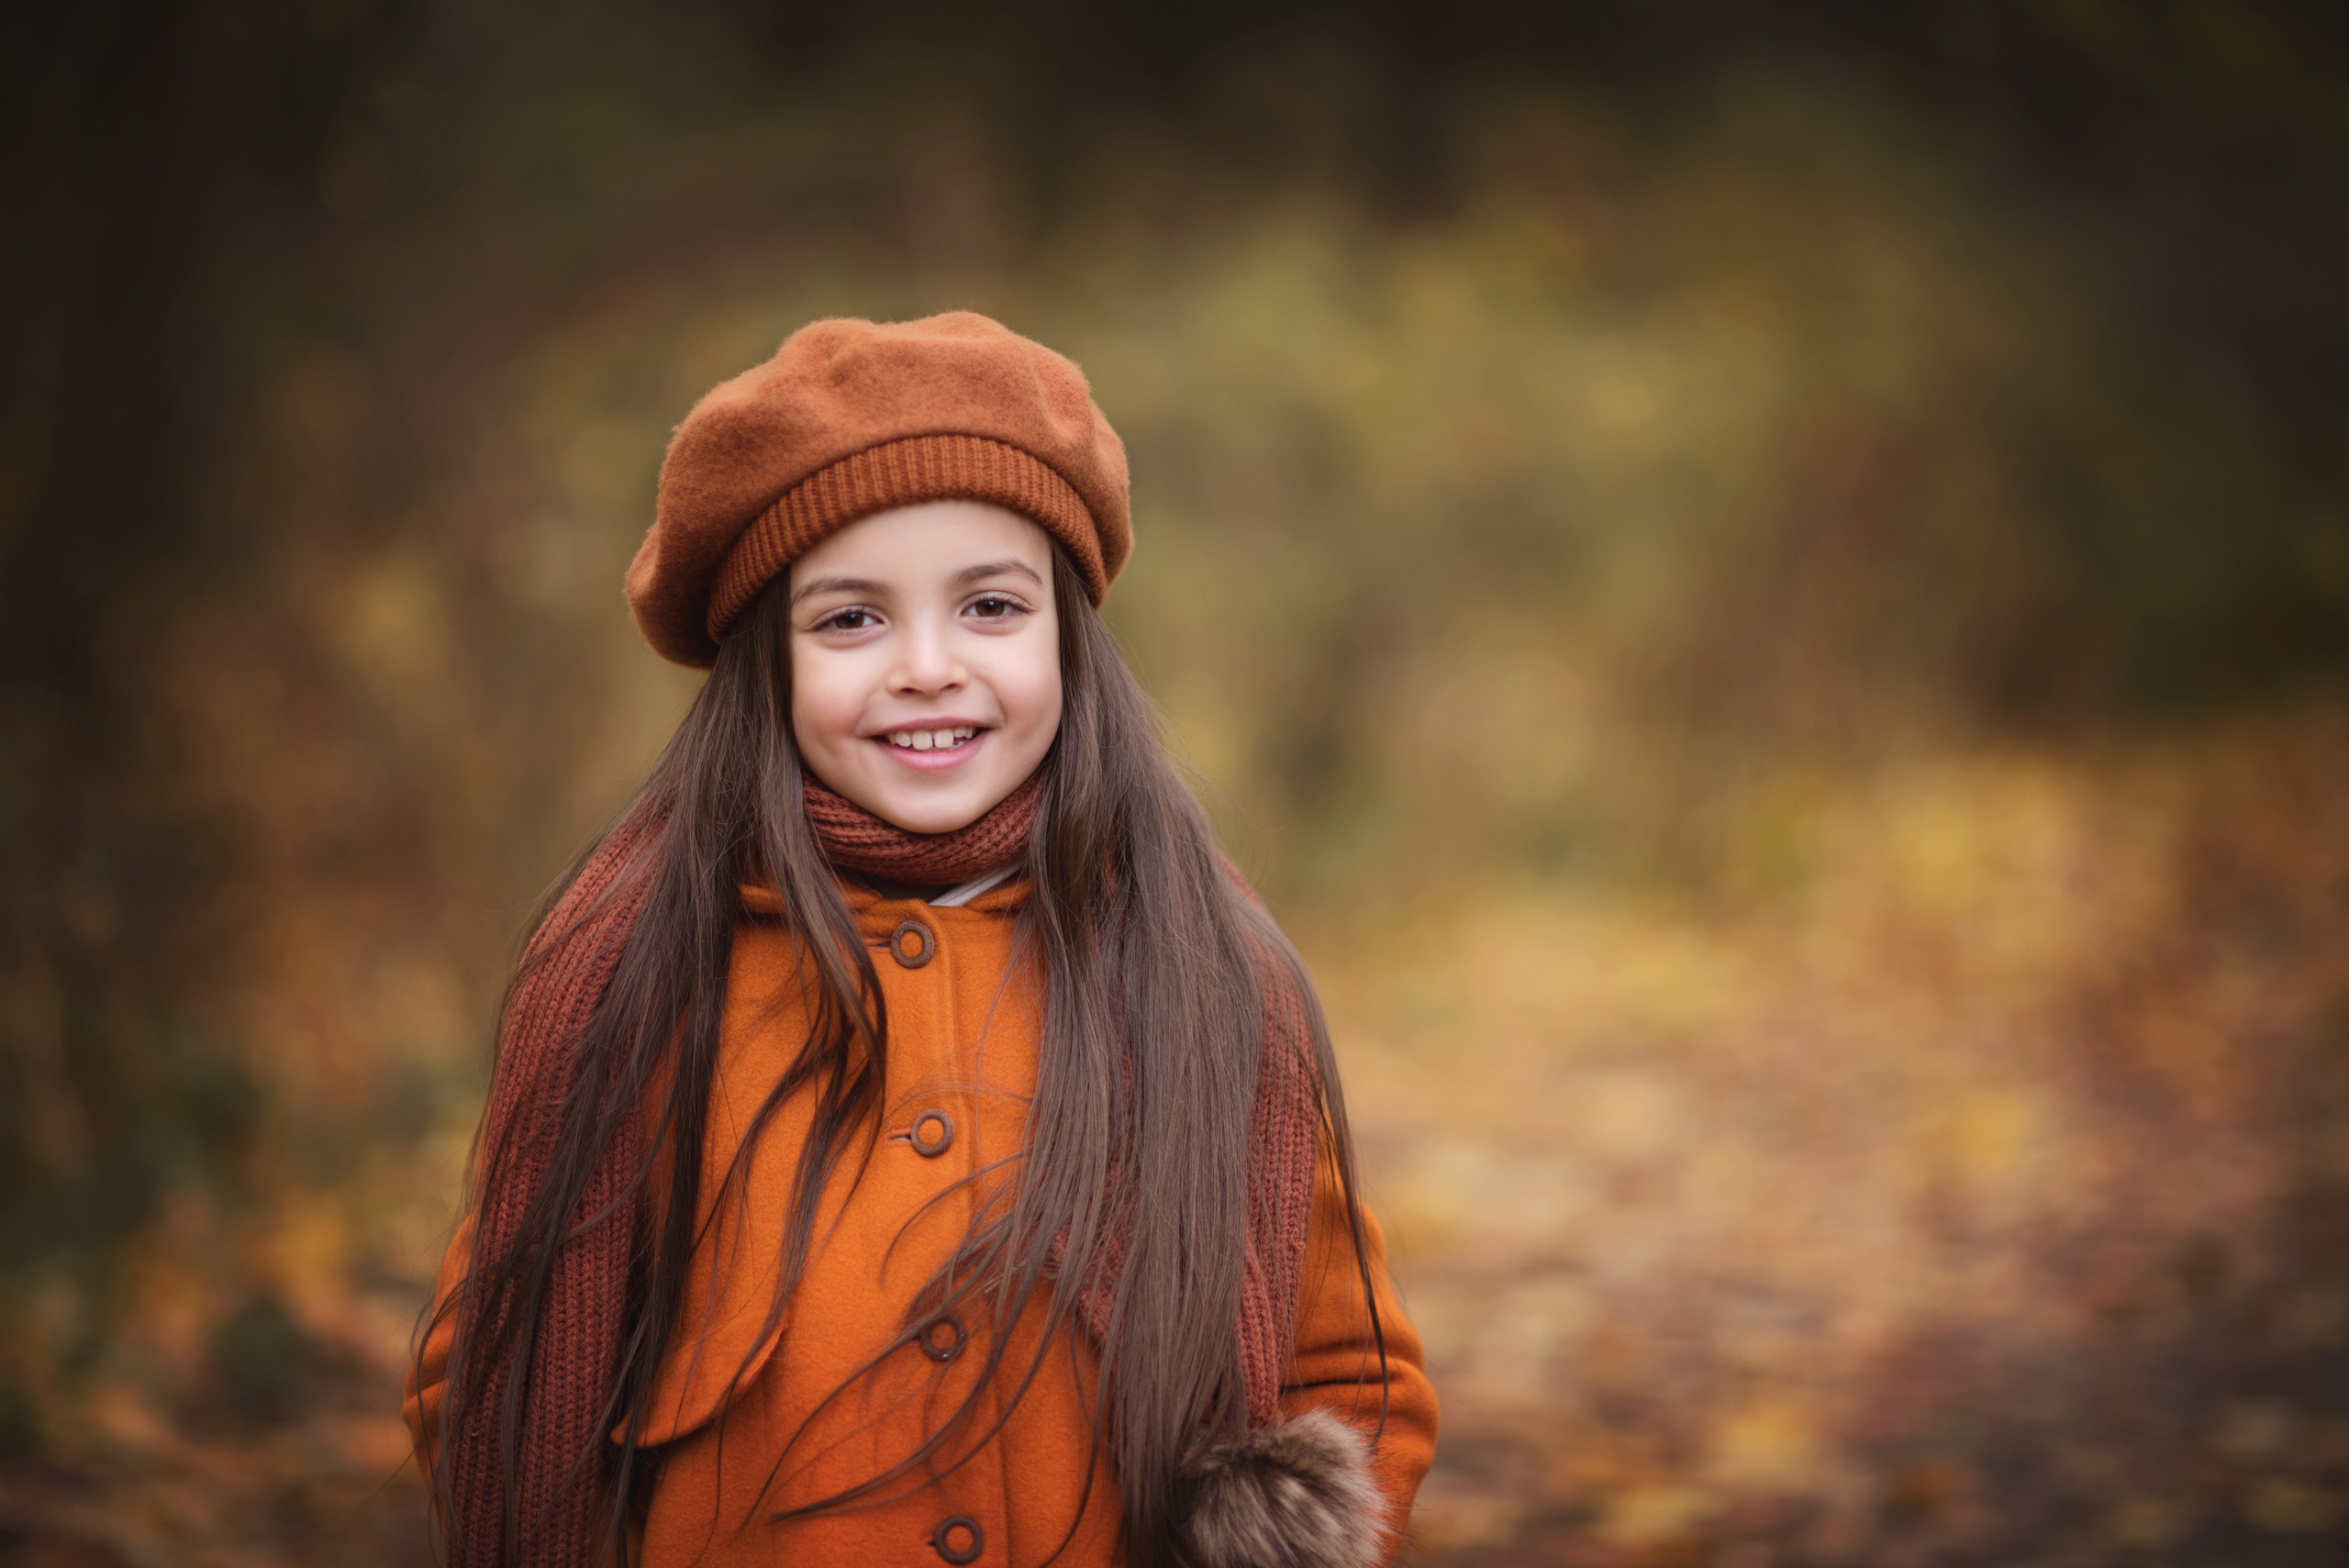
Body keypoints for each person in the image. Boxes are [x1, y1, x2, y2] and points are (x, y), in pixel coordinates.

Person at [405, 311, 1438, 1568]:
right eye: (851, 621)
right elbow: (493, 1395)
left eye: (991, 606)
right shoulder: (637, 981)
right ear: (766, 666)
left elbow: (1350, 1374)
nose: (928, 667)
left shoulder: (1213, 978)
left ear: (1067, 635)